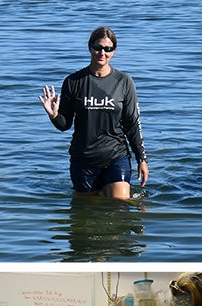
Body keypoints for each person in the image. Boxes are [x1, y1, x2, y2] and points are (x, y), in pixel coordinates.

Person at [39, 26, 149, 200]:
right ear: (90, 47)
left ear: (114, 51)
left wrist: (141, 159)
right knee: (90, 211)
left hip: (116, 155)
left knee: (119, 204)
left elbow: (132, 124)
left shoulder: (124, 81)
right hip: (83, 160)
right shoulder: (73, 81)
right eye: (98, 47)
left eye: (107, 49)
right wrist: (53, 115)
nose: (102, 53)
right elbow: (64, 125)